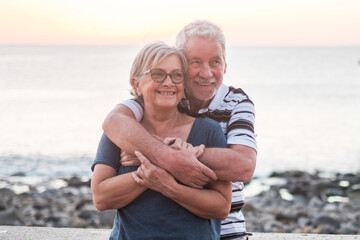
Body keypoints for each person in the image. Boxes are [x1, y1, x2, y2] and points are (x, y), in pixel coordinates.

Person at [102, 20, 257, 239]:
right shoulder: (163, 95)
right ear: (182, 66)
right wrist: (165, 156)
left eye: (215, 62)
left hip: (228, 230)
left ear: (225, 65)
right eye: (195, 62)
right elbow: (114, 122)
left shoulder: (236, 102)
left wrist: (160, 153)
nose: (206, 73)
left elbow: (244, 166)